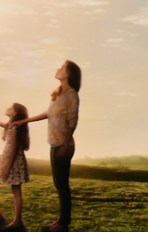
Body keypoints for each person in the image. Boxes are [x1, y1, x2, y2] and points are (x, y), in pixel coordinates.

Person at [19, 60, 80, 232]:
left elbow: (73, 123)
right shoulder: (59, 95)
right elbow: (48, 113)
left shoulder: (72, 95)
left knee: (62, 184)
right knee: (59, 183)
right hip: (55, 144)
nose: (58, 69)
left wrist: (65, 145)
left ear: (68, 74)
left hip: (63, 145)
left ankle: (62, 224)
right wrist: (26, 120)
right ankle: (61, 223)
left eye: (62, 68)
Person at [0, 103, 30, 231]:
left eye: (11, 108)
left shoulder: (14, 129)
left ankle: (17, 221)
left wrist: (6, 168)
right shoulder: (11, 125)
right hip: (12, 161)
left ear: (15, 113)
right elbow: (3, 124)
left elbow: (12, 150)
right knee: (16, 190)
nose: (8, 108)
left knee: (16, 189)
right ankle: (16, 220)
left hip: (12, 162)